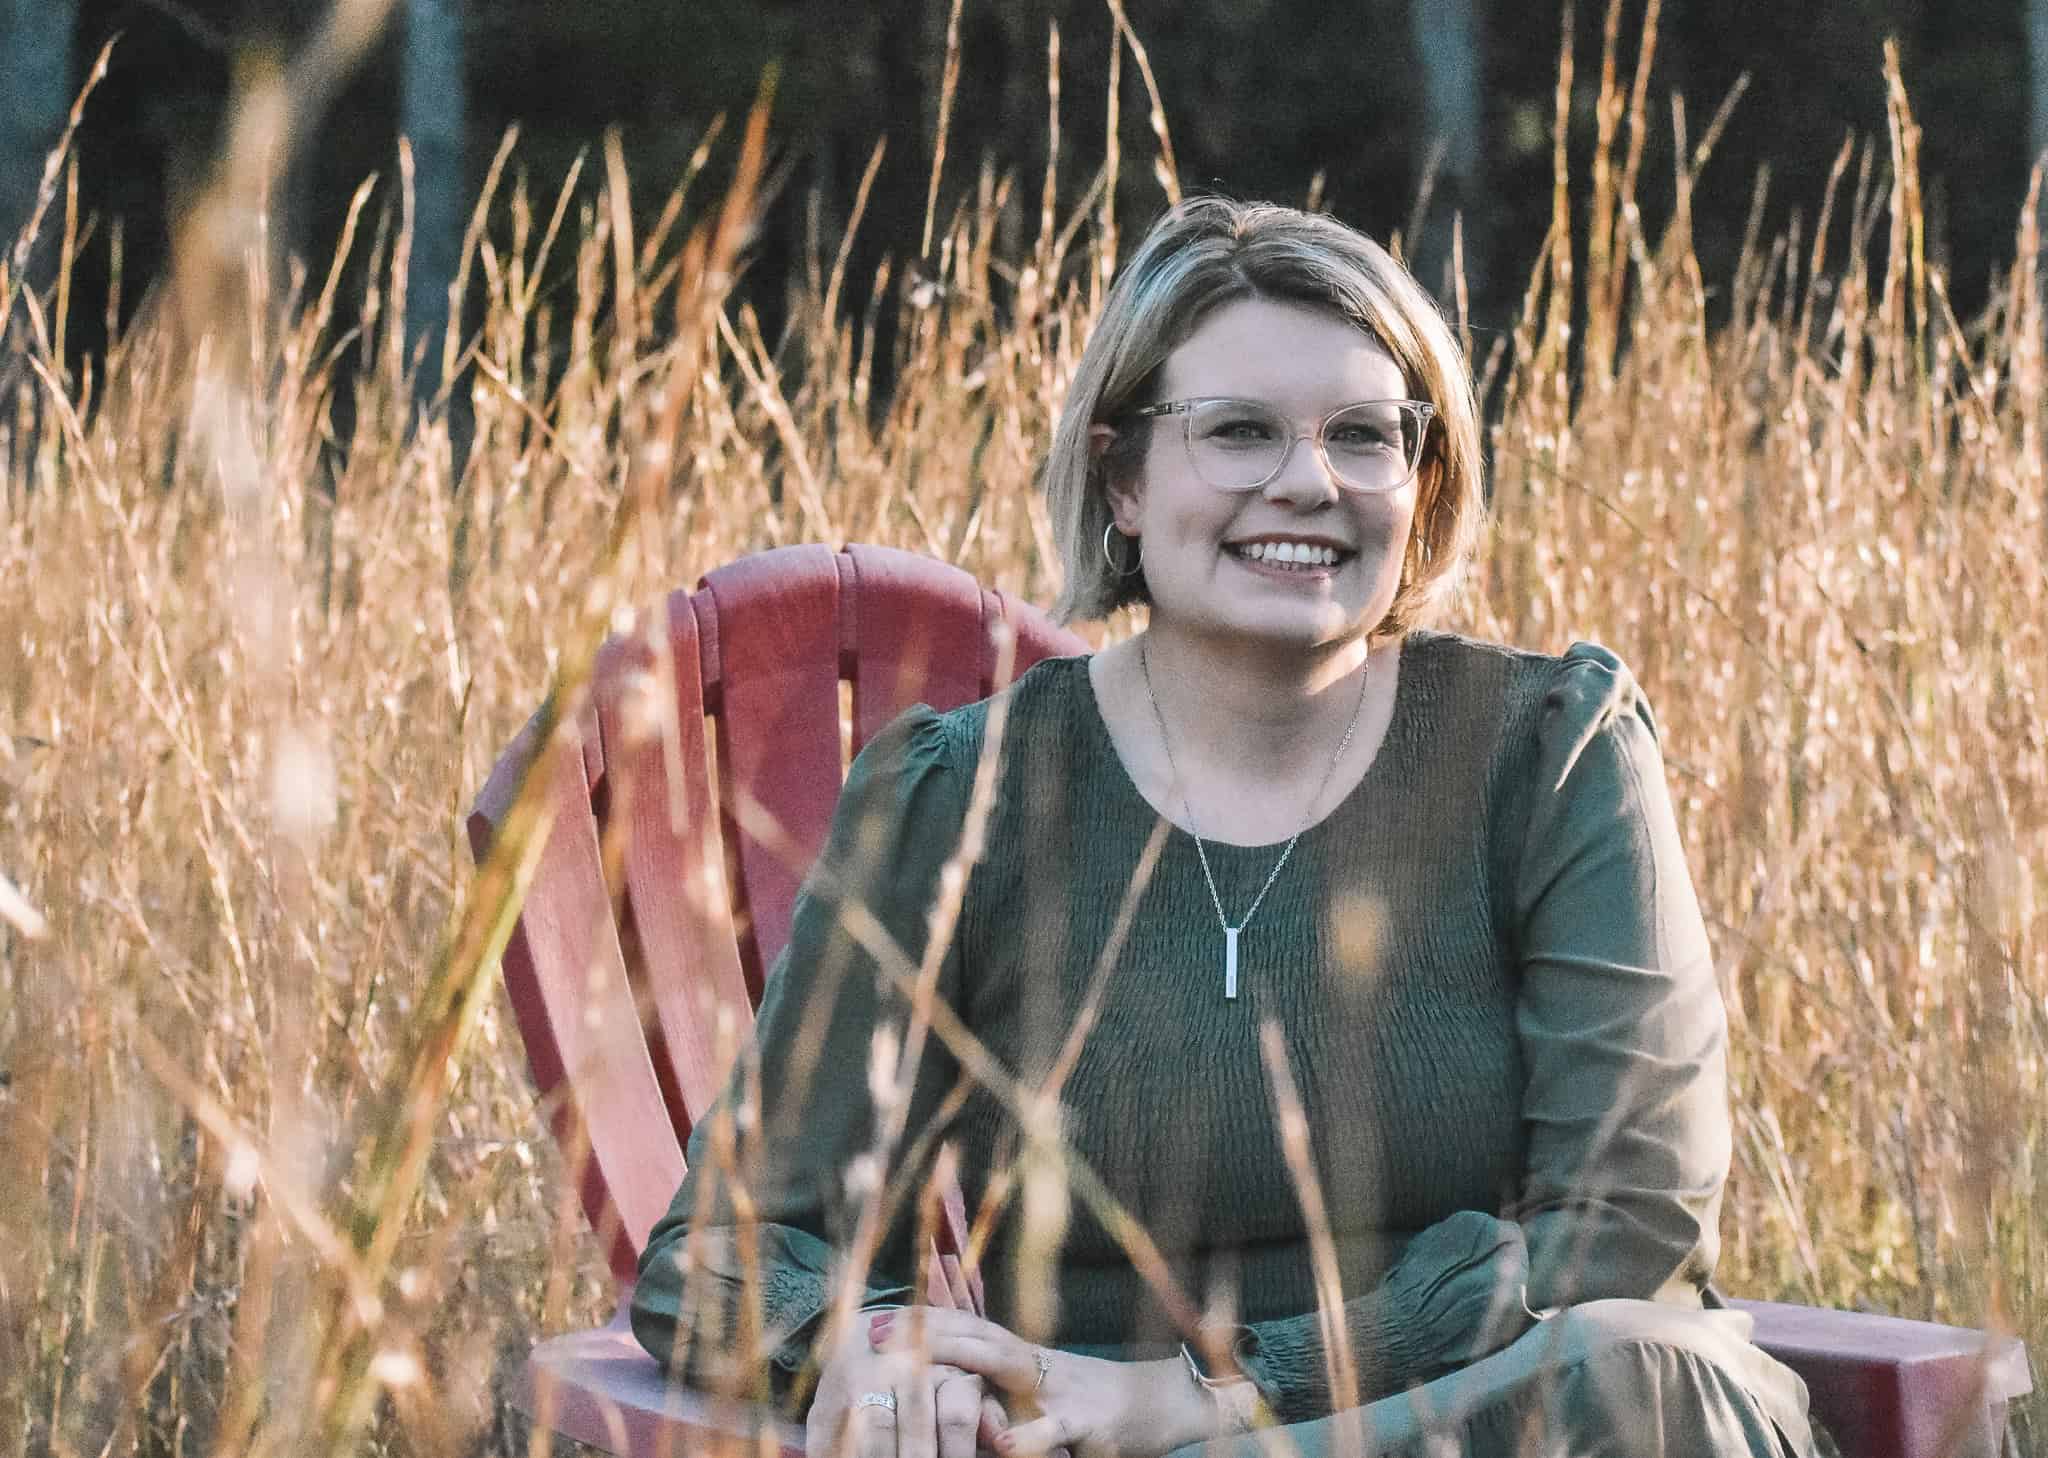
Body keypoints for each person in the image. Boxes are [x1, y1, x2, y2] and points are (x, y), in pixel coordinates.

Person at [630, 196, 1819, 1458]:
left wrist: (1221, 1398)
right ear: (1121, 477)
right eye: (1238, 431)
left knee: (1644, 1367)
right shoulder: (962, 804)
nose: (1308, 483)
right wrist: (878, 1349)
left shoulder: (1546, 756)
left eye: (1365, 436)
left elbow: (1625, 1228)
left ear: (1422, 483)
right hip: (1074, 1440)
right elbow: (720, 1251)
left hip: (1490, 1423)